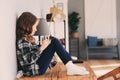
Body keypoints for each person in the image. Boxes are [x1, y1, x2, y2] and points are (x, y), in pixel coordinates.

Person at [16, 12, 89, 78]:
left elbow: (34, 53)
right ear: (27, 26)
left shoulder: (28, 39)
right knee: (54, 41)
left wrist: (45, 48)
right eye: (35, 26)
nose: (36, 29)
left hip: (37, 66)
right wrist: (41, 48)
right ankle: (70, 66)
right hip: (35, 69)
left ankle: (71, 65)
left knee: (53, 41)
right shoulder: (22, 41)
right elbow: (28, 60)